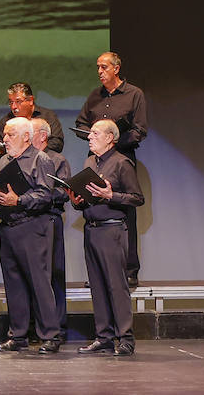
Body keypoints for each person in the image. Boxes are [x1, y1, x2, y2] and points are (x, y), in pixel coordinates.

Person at [0, 117, 62, 353]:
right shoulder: (4, 161)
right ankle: (18, 335)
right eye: (5, 135)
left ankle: (50, 335)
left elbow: (45, 195)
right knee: (14, 283)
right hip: (8, 227)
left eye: (10, 135)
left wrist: (18, 200)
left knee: (39, 282)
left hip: (33, 227)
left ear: (26, 137)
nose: (4, 139)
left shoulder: (41, 159)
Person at [69, 119, 145, 357]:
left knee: (116, 286)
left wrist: (112, 195)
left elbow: (136, 198)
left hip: (112, 230)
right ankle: (104, 336)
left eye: (94, 133)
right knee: (98, 286)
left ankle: (125, 338)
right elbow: (90, 196)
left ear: (110, 138)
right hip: (91, 229)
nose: (89, 137)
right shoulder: (90, 161)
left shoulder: (122, 163)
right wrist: (77, 200)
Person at [75, 52, 148, 285]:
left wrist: (113, 141)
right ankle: (98, 271)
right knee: (94, 206)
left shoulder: (134, 94)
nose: (99, 71)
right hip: (96, 159)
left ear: (116, 69)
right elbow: (81, 123)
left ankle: (129, 270)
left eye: (104, 67)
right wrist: (93, 136)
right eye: (97, 67)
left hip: (121, 156)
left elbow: (139, 130)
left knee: (124, 208)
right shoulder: (95, 96)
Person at [32, 116, 71, 344]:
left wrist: (41, 194)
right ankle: (36, 327)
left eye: (32, 132)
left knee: (53, 273)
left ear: (43, 136)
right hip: (30, 222)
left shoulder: (57, 160)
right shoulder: (25, 159)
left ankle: (58, 327)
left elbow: (63, 192)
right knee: (36, 276)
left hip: (50, 219)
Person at [0, 83, 64, 153]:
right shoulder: (5, 122)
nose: (13, 107)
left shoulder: (48, 116)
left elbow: (57, 144)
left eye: (18, 102)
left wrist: (30, 153)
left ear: (31, 100)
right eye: (11, 102)